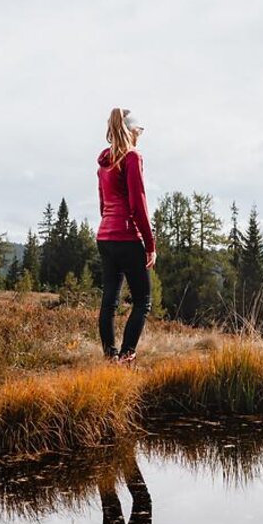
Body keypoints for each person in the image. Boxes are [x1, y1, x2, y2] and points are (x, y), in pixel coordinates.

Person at [96, 107, 156, 363]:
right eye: (138, 132)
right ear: (131, 131)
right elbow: (138, 203)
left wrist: (110, 224)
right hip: (127, 236)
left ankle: (110, 357)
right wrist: (150, 244)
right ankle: (127, 354)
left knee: (109, 298)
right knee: (143, 300)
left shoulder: (103, 164)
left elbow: (102, 204)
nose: (139, 137)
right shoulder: (132, 158)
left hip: (105, 237)